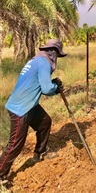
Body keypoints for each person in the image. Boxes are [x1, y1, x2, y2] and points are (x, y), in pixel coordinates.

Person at [0, 39, 66, 184]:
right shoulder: (43, 63)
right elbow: (46, 89)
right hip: (21, 108)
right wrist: (55, 87)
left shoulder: (35, 61)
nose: (56, 58)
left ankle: (40, 152)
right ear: (52, 52)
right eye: (56, 54)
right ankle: (1, 175)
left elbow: (39, 83)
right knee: (15, 144)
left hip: (29, 104)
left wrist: (53, 83)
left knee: (45, 122)